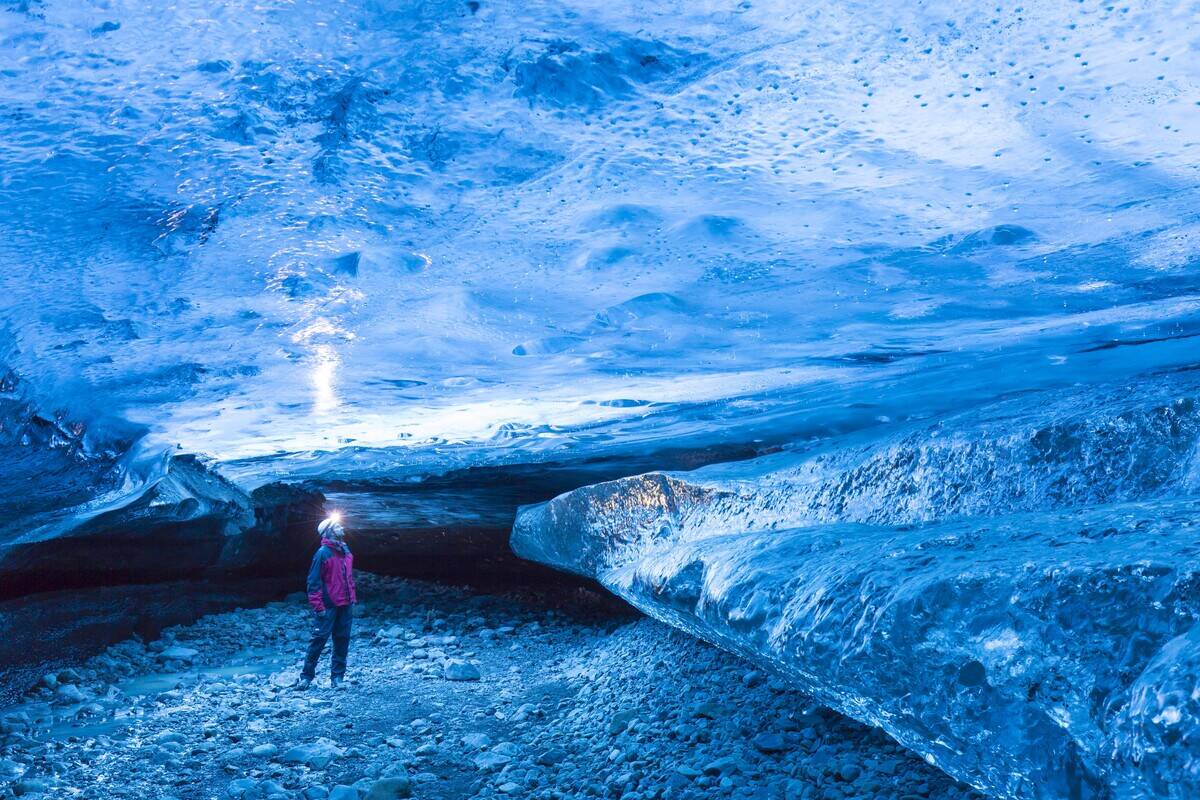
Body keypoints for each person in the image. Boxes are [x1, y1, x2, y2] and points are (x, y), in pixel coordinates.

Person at [296, 514, 356, 690]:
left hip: (345, 603)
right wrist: (318, 606)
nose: (342, 529)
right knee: (319, 640)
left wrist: (352, 597)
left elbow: (348, 577)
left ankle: (337, 678)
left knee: (342, 639)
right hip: (328, 605)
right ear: (329, 532)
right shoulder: (322, 553)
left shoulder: (345, 550)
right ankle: (306, 677)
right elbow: (313, 581)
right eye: (338, 527)